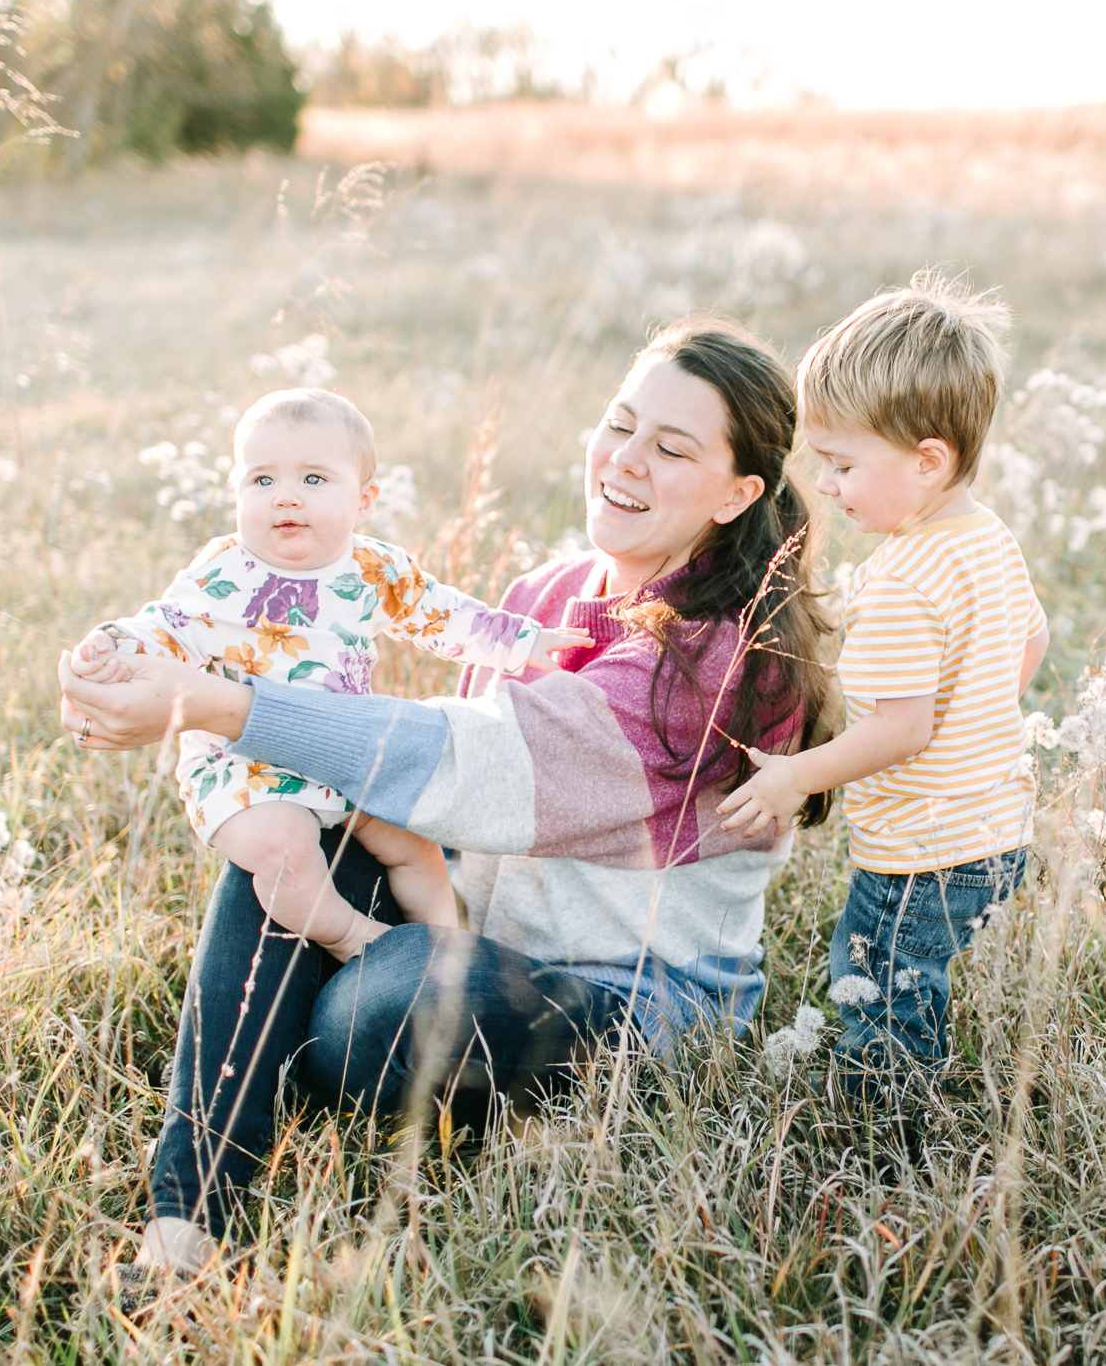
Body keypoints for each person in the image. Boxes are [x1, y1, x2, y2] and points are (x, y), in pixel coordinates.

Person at [58, 320, 833, 1276]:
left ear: (739, 491)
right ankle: (187, 1222)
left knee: (375, 1017)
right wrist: (127, 658)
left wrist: (212, 702)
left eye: (672, 449)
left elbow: (468, 764)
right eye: (619, 424)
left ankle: (306, 1021)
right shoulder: (546, 595)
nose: (625, 461)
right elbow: (419, 799)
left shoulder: (723, 660)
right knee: (285, 831)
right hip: (471, 926)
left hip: (618, 1003)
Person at [70, 387, 590, 954]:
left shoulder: (375, 567)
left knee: (417, 847)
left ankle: (447, 949)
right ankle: (353, 938)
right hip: (245, 773)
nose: (285, 499)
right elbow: (165, 625)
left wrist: (523, 639)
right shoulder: (223, 571)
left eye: (313, 480)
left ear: (364, 500)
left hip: (342, 755)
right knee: (289, 855)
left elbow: (442, 616)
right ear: (236, 491)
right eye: (262, 481)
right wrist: (113, 645)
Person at [718, 271, 1050, 1092]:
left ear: (928, 461)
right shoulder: (984, 537)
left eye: (839, 464)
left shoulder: (907, 578)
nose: (823, 485)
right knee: (919, 971)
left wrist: (797, 774)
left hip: (923, 849)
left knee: (880, 974)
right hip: (995, 825)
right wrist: (976, 709)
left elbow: (902, 729)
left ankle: (893, 1122)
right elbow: (1030, 639)